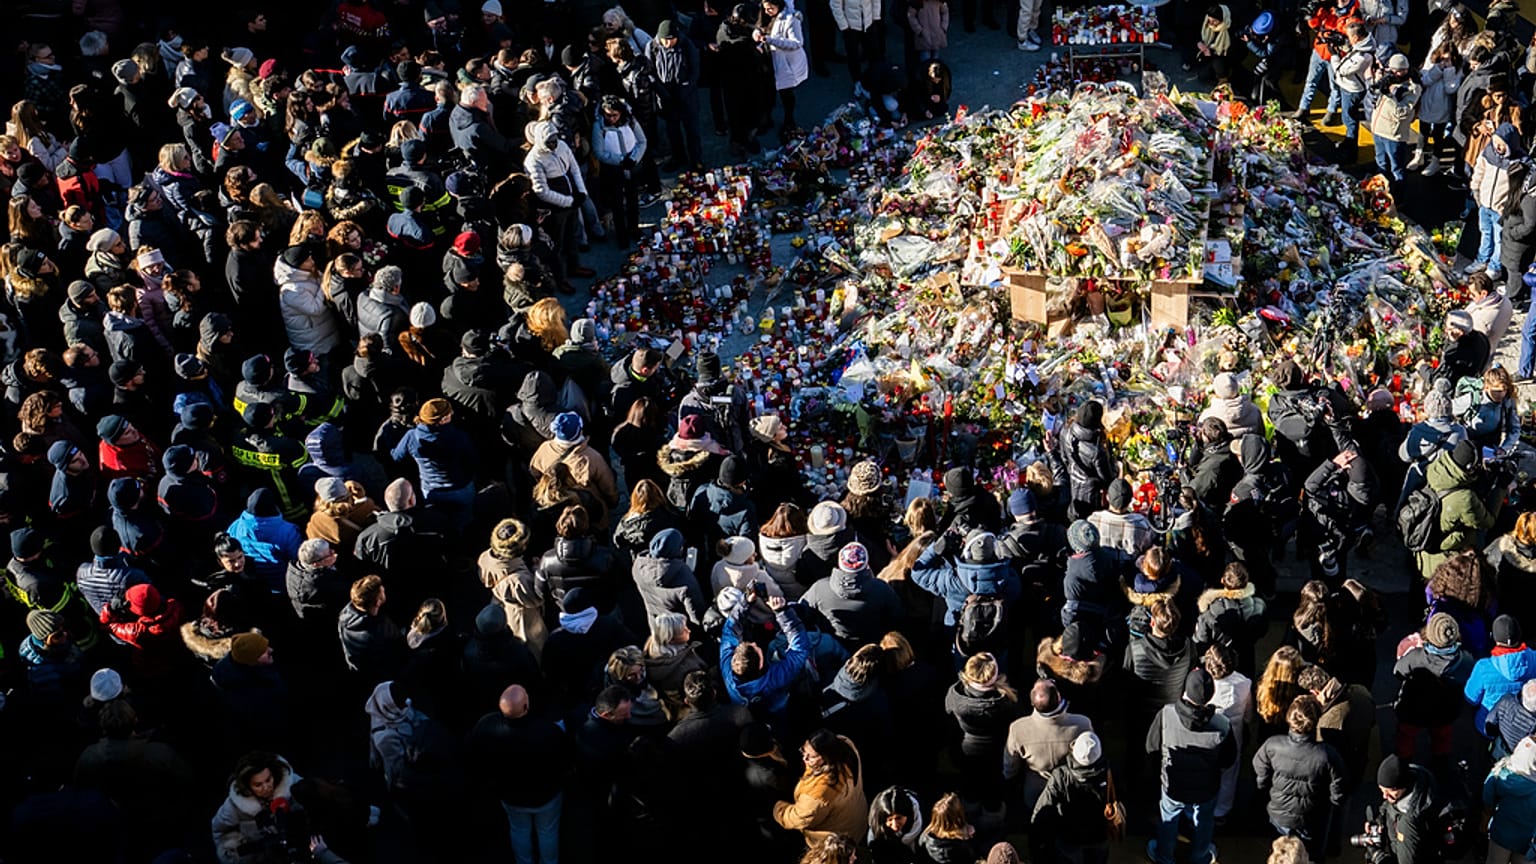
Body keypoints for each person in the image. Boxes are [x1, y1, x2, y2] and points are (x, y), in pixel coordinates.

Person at [467, 685, 572, 864]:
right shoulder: (547, 731)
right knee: (547, 832)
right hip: (546, 796)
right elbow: (565, 758)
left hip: (510, 796)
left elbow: (474, 752)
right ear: (526, 706)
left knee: (519, 830)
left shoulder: (487, 725)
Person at [1146, 669, 1236, 864]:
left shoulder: (1166, 714)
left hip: (1173, 785)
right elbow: (1228, 760)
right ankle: (1200, 856)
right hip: (1206, 787)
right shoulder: (1223, 724)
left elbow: (1151, 747)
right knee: (1203, 821)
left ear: (1186, 690)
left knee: (1169, 819)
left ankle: (1165, 856)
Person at [1252, 695, 1345, 860]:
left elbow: (1259, 768)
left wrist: (1263, 785)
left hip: (1278, 813)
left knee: (1282, 853)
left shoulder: (1272, 745)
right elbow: (1338, 786)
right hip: (1310, 817)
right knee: (1310, 853)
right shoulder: (1326, 754)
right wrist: (1335, 803)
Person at [1004, 679, 1094, 813]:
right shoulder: (1082, 723)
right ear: (1058, 697)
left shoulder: (1018, 728)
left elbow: (1010, 765)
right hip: (1070, 788)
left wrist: (1010, 780)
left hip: (1035, 792)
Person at [773, 728, 867, 845]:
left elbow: (798, 818)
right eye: (803, 751)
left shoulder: (821, 792)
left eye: (811, 757)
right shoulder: (844, 744)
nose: (804, 758)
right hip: (858, 817)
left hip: (840, 840)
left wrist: (779, 809)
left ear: (826, 757)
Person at [1030, 731, 1112, 864]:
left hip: (1069, 837)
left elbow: (1042, 811)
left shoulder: (1061, 775)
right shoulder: (1109, 773)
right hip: (1100, 835)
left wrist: (1036, 844)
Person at [1466, 615, 1536, 735]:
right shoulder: (1534, 658)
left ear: (1493, 637)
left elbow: (1471, 698)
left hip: (1489, 725)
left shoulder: (1483, 667)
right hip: (1523, 727)